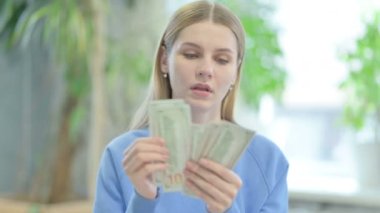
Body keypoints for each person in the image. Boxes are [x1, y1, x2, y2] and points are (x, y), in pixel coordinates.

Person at [93, 0, 289, 212]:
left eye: (222, 60)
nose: (206, 70)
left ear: (235, 72)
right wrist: (143, 199)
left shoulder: (269, 161)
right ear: (164, 60)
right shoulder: (120, 155)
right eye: (191, 55)